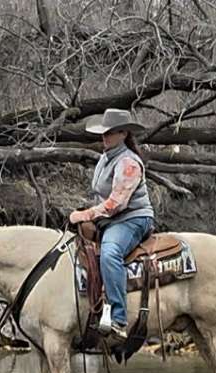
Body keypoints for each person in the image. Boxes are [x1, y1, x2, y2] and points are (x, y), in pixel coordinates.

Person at [69, 108, 155, 341]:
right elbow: (102, 198)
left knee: (110, 252)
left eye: (110, 133)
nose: (104, 137)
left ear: (124, 133)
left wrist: (86, 214)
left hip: (134, 218)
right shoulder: (105, 158)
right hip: (112, 218)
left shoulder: (129, 162)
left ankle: (118, 318)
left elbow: (117, 203)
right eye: (103, 133)